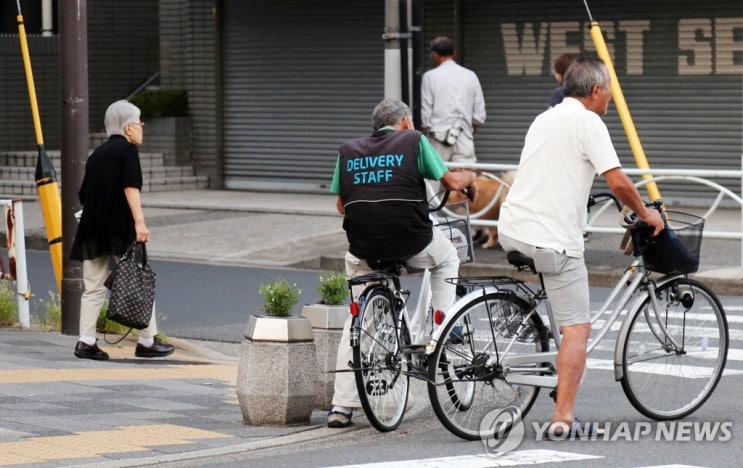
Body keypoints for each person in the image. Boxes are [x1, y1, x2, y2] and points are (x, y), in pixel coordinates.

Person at [497, 57, 664, 437]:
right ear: (595, 91)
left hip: (512, 227)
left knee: (562, 312)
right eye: (609, 90)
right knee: (577, 329)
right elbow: (618, 181)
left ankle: (558, 374)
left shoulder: (546, 117)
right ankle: (563, 416)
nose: (610, 97)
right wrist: (645, 213)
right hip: (550, 238)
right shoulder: (589, 122)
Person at [326, 98, 477, 428]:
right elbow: (451, 183)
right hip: (412, 240)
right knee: (448, 257)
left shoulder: (348, 150)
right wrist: (469, 178)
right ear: (406, 122)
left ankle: (342, 407)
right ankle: (443, 327)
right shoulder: (414, 141)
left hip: (364, 247)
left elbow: (341, 206)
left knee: (358, 326)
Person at [70, 100, 174, 361]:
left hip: (92, 230)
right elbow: (131, 187)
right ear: (128, 129)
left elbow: (84, 194)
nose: (142, 129)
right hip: (119, 231)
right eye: (140, 124)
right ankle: (147, 341)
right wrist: (140, 222)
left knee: (92, 288)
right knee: (137, 282)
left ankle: (86, 341)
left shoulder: (96, 155)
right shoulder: (127, 151)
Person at [421, 36, 486, 167]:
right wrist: (467, 131)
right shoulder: (470, 75)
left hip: (438, 139)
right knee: (465, 182)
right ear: (454, 53)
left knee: (434, 183)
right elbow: (479, 115)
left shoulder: (430, 77)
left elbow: (425, 116)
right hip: (464, 138)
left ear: (435, 55)